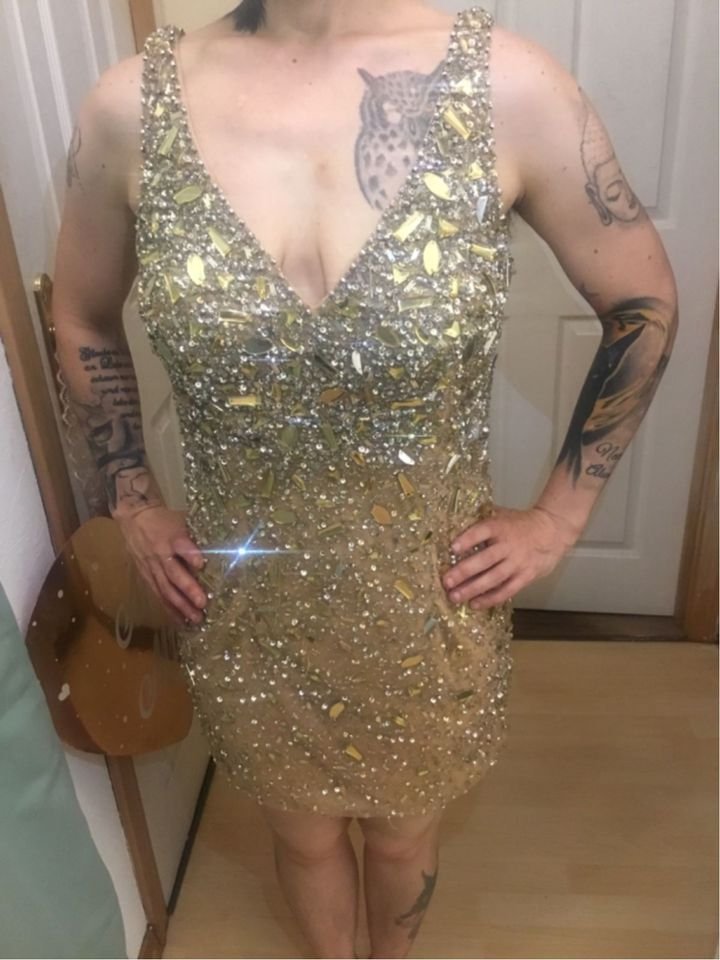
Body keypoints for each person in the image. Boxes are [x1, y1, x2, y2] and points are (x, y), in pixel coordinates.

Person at [52, 1, 678, 957]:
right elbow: (82, 316)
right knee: (300, 835)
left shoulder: (509, 87)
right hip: (248, 602)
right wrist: (130, 499)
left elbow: (642, 299)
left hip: (425, 597)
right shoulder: (130, 106)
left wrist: (560, 516)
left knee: (403, 835)